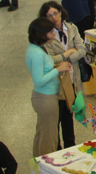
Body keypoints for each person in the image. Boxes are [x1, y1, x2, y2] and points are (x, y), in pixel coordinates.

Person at [39, 1, 85, 149]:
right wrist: (67, 53)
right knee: (56, 118)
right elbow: (49, 60)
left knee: (69, 116)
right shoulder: (45, 36)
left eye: (56, 13)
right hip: (57, 83)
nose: (54, 17)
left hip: (73, 78)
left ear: (61, 12)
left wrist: (69, 57)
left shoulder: (72, 28)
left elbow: (82, 49)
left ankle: (70, 146)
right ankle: (56, 148)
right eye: (49, 15)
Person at [27, 18, 71, 157]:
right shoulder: (38, 54)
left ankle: (39, 163)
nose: (54, 34)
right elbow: (39, 81)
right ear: (42, 34)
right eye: (51, 32)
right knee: (50, 137)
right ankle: (47, 165)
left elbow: (44, 70)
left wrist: (56, 67)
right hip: (46, 98)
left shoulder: (38, 48)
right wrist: (58, 70)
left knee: (42, 132)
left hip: (45, 97)